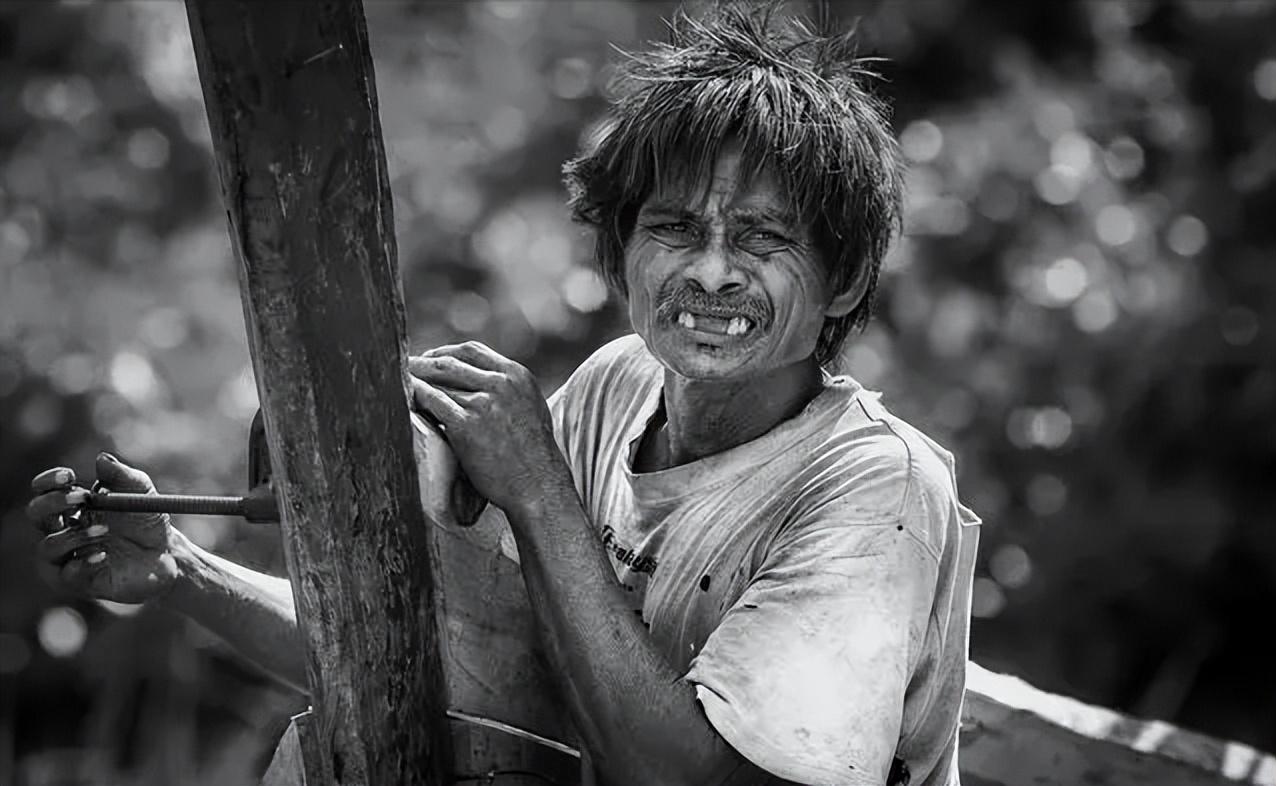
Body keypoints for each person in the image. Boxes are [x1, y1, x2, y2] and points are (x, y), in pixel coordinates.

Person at [26, 4, 980, 785]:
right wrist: (185, 573)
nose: (714, 274)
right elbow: (440, 675)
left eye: (765, 239)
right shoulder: (618, 387)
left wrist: (534, 489)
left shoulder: (875, 492)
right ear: (620, 250)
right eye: (675, 228)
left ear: (846, 280)